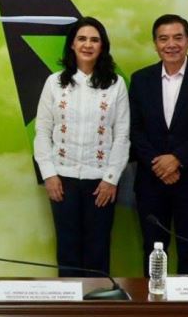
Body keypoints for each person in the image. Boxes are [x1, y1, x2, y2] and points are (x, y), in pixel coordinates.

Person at [130, 14, 188, 276]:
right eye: (164, 39)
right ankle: (153, 299)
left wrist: (177, 159)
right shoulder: (140, 79)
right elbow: (135, 129)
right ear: (155, 44)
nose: (171, 44)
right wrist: (159, 165)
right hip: (151, 181)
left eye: (177, 38)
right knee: (153, 251)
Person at [34, 17, 129, 277]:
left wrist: (111, 179)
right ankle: (69, 302)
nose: (88, 45)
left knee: (98, 249)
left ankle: (97, 302)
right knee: (68, 250)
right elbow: (42, 131)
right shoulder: (55, 83)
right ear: (72, 45)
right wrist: (49, 174)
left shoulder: (115, 84)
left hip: (100, 182)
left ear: (102, 46)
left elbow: (122, 135)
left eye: (94, 40)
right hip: (62, 179)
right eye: (82, 39)